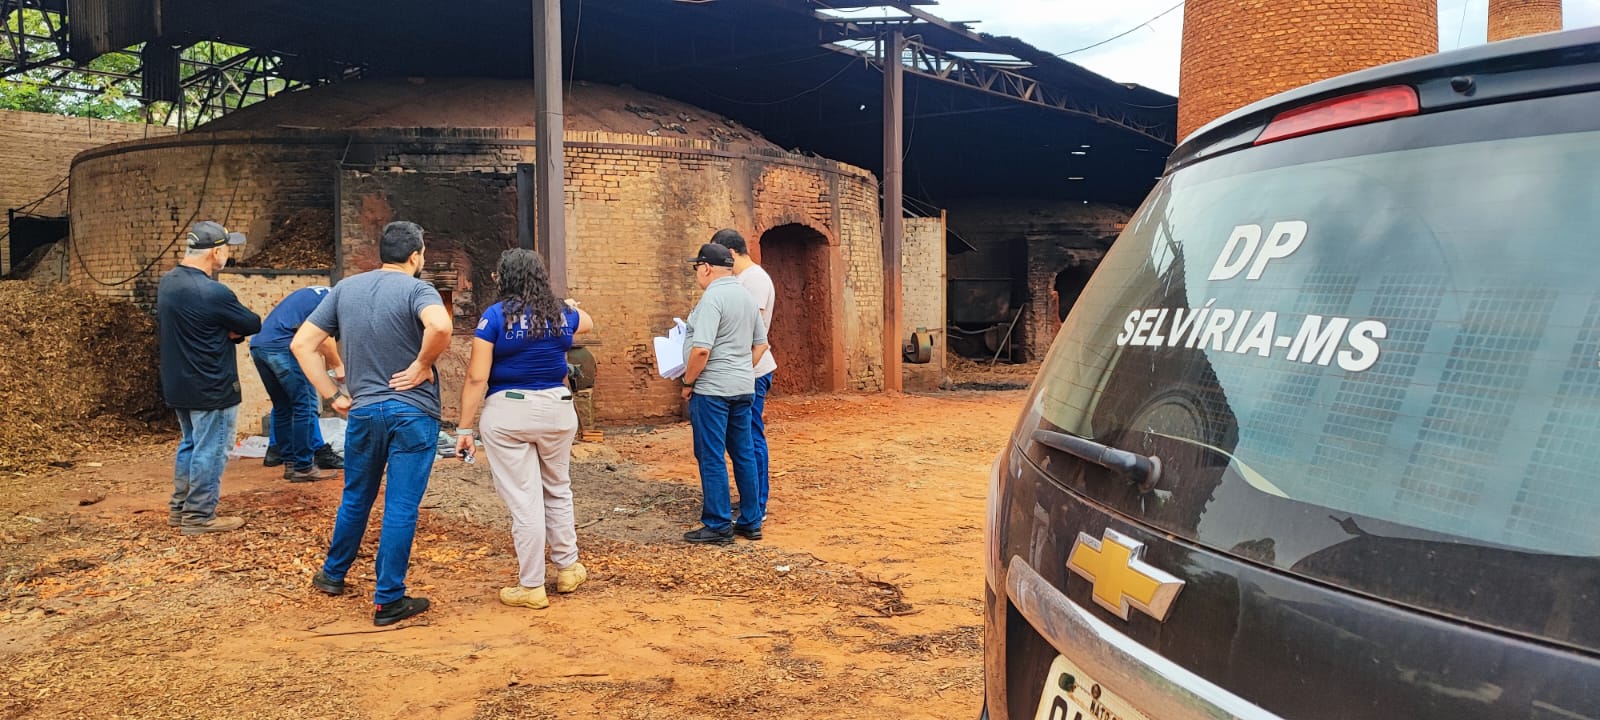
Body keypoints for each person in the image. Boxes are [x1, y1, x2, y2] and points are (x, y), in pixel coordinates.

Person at [290, 220, 452, 627]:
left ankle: (333, 574)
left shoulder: (345, 289)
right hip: (412, 413)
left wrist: (333, 395)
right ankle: (388, 600)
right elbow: (441, 325)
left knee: (356, 497)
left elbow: (301, 344)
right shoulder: (419, 289)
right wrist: (421, 364)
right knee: (400, 505)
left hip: (362, 412)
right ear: (415, 256)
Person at [454, 249, 595, 610]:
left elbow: (476, 376)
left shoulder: (495, 317)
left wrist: (463, 427)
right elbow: (588, 322)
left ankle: (531, 584)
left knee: (524, 499)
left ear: (505, 279)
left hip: (509, 413)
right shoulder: (559, 312)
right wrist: (569, 306)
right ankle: (567, 568)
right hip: (557, 409)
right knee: (558, 488)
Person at [157, 221, 262, 536]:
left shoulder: (168, 283)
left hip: (179, 384)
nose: (228, 254)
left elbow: (200, 327)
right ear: (216, 251)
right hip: (212, 385)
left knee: (190, 444)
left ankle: (180, 509)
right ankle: (200, 516)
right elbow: (252, 323)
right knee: (211, 449)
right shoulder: (213, 292)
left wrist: (224, 332)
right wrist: (230, 333)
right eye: (227, 248)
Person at [679, 242, 769, 545]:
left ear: (705, 268)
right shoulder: (746, 296)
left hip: (712, 390)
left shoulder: (711, 299)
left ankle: (718, 524)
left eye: (697, 268)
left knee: (711, 455)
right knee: (743, 452)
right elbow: (761, 344)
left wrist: (688, 382)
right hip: (744, 388)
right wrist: (742, 370)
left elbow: (702, 349)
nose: (697, 274)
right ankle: (751, 520)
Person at [710, 229, 776, 522]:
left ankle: (757, 504)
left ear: (732, 253)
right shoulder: (741, 280)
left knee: (750, 438)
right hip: (741, 369)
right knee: (741, 439)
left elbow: (754, 328)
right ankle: (750, 500)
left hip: (751, 369)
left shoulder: (755, 280)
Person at [251, 286, 344, 482]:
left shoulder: (318, 294)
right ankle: (303, 466)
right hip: (282, 347)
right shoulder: (334, 300)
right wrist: (338, 367)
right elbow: (325, 340)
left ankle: (291, 463)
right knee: (306, 406)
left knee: (283, 407)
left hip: (259, 346)